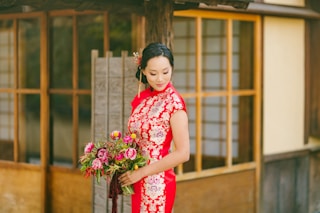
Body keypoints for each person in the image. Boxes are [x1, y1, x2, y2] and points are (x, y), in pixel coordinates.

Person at [118, 42, 190, 213]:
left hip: (158, 184)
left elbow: (183, 153)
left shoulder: (174, 103)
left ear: (172, 68)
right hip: (137, 178)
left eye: (165, 72)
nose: (160, 79)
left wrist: (141, 172)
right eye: (153, 73)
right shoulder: (143, 99)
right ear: (143, 71)